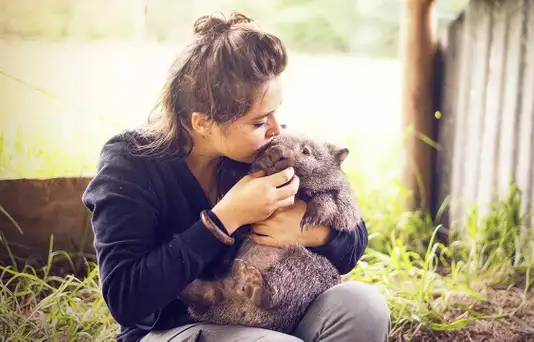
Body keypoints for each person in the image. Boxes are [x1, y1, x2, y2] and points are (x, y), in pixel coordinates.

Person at [82, 11, 390, 342]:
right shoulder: (130, 163)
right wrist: (224, 219)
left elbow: (354, 239)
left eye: (275, 113)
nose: (275, 131)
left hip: (273, 316)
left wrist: (312, 232)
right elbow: (125, 299)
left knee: (364, 305)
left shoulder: (267, 153)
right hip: (173, 329)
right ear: (202, 122)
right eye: (259, 122)